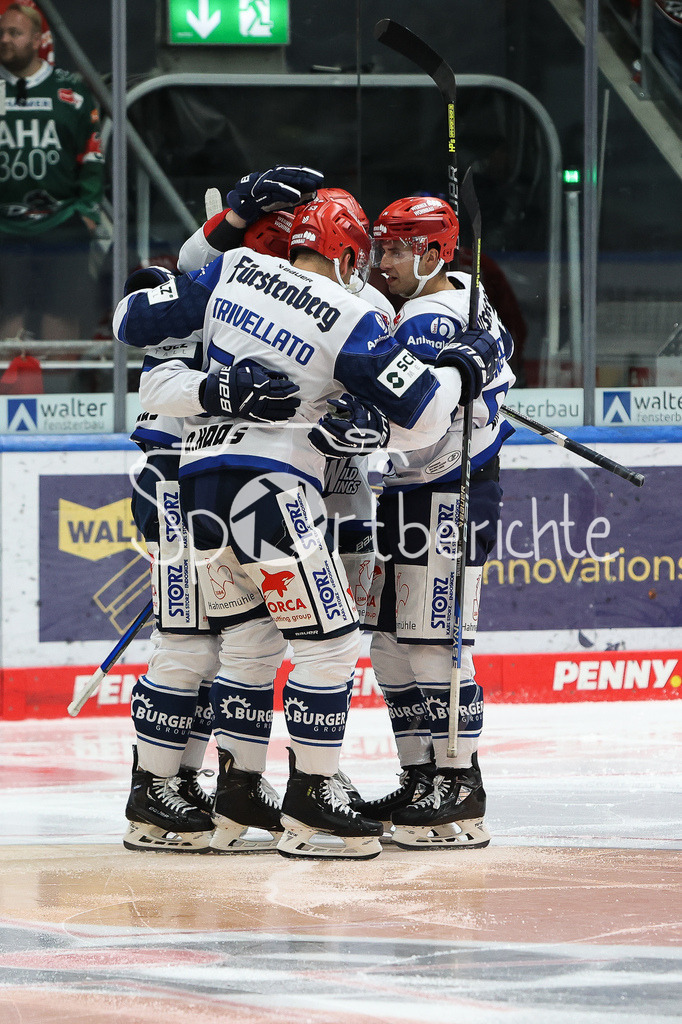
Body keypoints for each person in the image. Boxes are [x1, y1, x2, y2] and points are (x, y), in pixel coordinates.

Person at [114, 195, 500, 860]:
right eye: (370, 251)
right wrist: (468, 364)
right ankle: (308, 802)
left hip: (205, 490)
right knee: (317, 645)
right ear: (347, 253)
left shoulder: (228, 274)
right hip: (263, 489)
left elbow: (136, 327)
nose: (376, 264)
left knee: (241, 643)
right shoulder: (351, 314)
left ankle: (230, 794)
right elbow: (426, 413)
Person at [119, 165, 325, 854]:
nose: (285, 261)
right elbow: (150, 362)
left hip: (230, 485)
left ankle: (208, 784)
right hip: (173, 479)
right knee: (186, 642)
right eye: (274, 243)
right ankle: (153, 791)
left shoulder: (286, 304)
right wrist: (224, 389)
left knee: (239, 644)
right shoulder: (196, 285)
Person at [354, 195, 516, 850]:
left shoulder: (426, 320)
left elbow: (406, 420)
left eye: (394, 250)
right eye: (380, 248)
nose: (382, 262)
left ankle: (459, 785)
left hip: (445, 494)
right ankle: (422, 779)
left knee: (434, 644)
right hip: (416, 491)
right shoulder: (467, 306)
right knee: (392, 644)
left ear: (432, 253)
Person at [0, 3, 104, 341]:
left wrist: (87, 213)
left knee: (63, 314)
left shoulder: (70, 92)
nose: (4, 40)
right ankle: (10, 387)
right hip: (3, 227)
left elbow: (92, 156)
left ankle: (61, 390)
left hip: (62, 223)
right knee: (6, 316)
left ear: (35, 39)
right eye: (1, 33)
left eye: (14, 33)